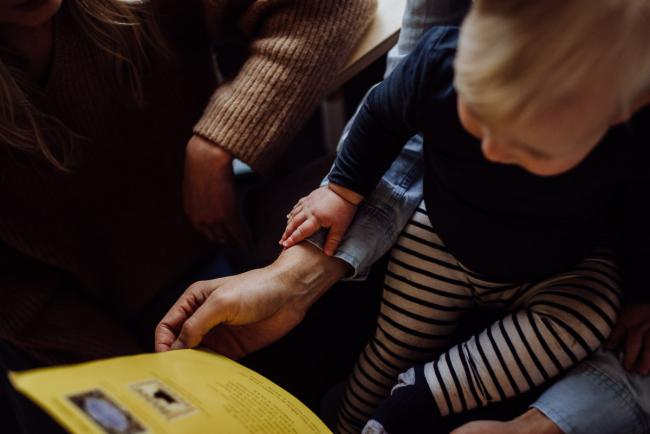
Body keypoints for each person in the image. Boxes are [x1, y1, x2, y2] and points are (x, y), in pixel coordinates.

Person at [157, 1, 650, 434]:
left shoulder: (630, 134)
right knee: (390, 346)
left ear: (622, 111)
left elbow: (639, 219)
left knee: (591, 314)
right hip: (439, 240)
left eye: (530, 148)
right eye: (476, 116)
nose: (493, 148)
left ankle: (423, 394)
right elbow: (383, 115)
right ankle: (351, 421)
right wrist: (342, 190)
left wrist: (640, 296)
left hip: (562, 266)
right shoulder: (440, 60)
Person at [0, 0, 375, 431]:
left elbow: (335, 7)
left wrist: (219, 140)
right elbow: (17, 295)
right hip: (70, 335)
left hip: (220, 233)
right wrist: (138, 378)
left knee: (367, 193)